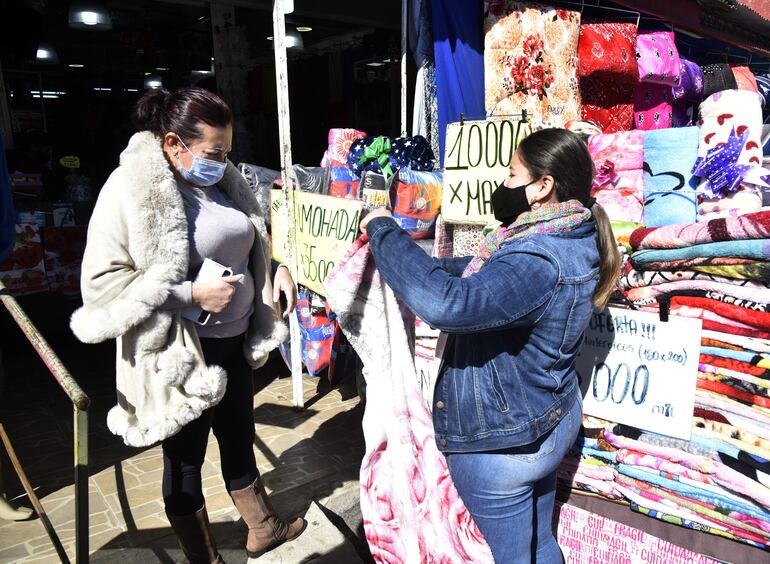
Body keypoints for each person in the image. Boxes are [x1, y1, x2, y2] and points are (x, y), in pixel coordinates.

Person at [360, 128, 620, 563]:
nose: (503, 185)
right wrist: (422, 262)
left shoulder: (538, 255)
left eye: (512, 175)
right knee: (538, 544)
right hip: (547, 420)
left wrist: (382, 229)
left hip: (504, 444)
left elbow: (448, 304)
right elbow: (488, 277)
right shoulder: (573, 234)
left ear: (543, 186)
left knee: (514, 556)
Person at [71, 87, 306, 563]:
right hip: (180, 356)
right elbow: (102, 287)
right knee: (184, 463)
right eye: (213, 153)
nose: (222, 161)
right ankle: (206, 558)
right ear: (175, 143)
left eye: (226, 151)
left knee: (238, 439)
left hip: (234, 342)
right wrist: (190, 295)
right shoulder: (129, 189)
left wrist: (275, 264)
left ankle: (263, 527)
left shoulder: (221, 180)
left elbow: (250, 232)